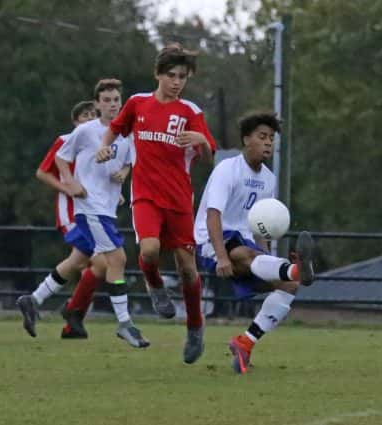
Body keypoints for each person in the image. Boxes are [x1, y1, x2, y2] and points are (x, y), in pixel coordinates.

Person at [96, 44, 217, 364]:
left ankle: (194, 328)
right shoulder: (137, 104)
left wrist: (202, 141)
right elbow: (113, 129)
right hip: (145, 195)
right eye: (172, 76)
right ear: (158, 75)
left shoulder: (190, 112)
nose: (177, 82)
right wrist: (105, 148)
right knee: (148, 251)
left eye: (183, 77)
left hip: (179, 199)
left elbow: (208, 158)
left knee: (188, 268)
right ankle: (154, 286)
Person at [17, 78, 149, 348]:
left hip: (107, 209)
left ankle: (34, 299)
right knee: (116, 259)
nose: (113, 105)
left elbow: (129, 163)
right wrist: (71, 183)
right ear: (98, 104)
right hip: (89, 208)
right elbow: (60, 159)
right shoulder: (86, 131)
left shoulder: (128, 133)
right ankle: (124, 323)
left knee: (79, 261)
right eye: (107, 101)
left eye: (116, 100)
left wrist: (122, 174)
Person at [194, 110, 315, 374]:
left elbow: (261, 227)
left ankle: (245, 343)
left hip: (246, 247)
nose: (269, 142)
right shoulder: (227, 169)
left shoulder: (268, 180)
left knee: (289, 285)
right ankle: (295, 268)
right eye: (262, 137)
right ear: (247, 139)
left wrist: (267, 257)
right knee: (247, 254)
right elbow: (212, 215)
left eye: (271, 138)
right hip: (212, 242)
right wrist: (221, 256)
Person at [36, 101, 102, 339]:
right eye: (85, 115)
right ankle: (64, 308)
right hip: (71, 212)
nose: (90, 119)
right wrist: (67, 188)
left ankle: (70, 319)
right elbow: (42, 172)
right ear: (75, 121)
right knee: (101, 261)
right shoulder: (65, 140)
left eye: (93, 115)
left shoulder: (100, 143)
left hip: (94, 212)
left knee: (94, 265)